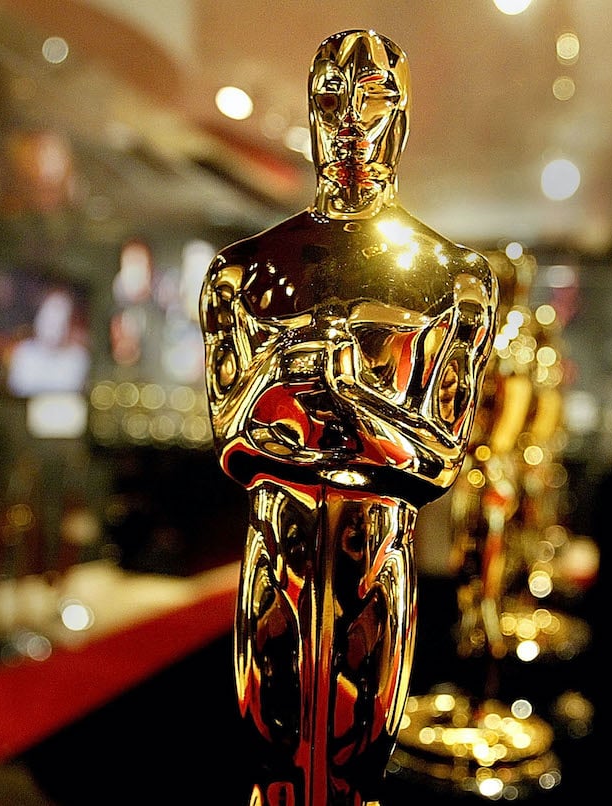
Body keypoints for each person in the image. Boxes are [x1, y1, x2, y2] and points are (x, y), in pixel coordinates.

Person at [199, 29, 497, 806]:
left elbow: (437, 460)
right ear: (308, 112)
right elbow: (230, 440)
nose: (352, 124)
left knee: (359, 764)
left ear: (401, 116)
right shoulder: (243, 271)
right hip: (278, 542)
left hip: (374, 546)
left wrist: (334, 395)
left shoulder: (452, 279)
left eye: (372, 100)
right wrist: (333, 406)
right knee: (269, 761)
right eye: (333, 100)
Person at [6, 287, 89, 398]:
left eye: (60, 321)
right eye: (49, 319)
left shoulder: (78, 358)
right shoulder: (23, 353)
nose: (54, 329)